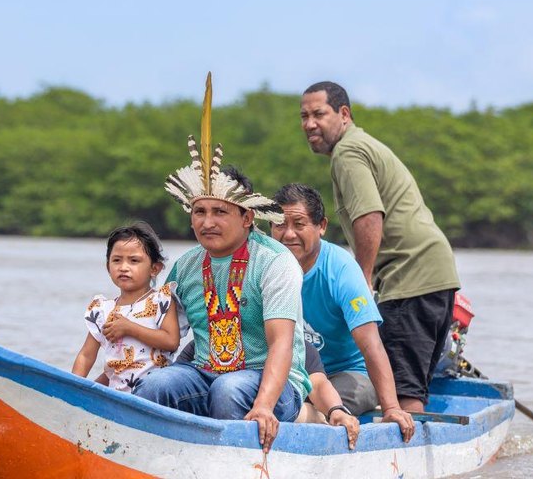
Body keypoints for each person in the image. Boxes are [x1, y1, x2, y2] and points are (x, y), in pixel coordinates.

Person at [134, 76, 311, 453]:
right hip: (205, 373)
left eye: (219, 212)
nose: (207, 222)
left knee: (230, 390)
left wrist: (263, 405)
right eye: (199, 212)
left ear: (247, 218)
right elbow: (161, 335)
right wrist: (108, 377)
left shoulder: (275, 262)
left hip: (271, 383)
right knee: (152, 386)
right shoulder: (184, 267)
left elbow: (281, 343)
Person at [299, 82, 461, 413]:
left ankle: (402, 459)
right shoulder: (359, 146)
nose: (309, 124)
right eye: (304, 116)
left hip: (410, 274)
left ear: (344, 114)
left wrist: (363, 277)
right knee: (410, 381)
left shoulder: (348, 152)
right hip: (431, 272)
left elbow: (369, 214)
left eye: (319, 114)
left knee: (402, 391)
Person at [271, 183, 414, 441]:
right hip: (291, 372)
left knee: (340, 395)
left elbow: (372, 344)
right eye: (279, 225)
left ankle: (311, 417)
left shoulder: (341, 269)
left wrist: (392, 408)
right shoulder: (266, 265)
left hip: (346, 374)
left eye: (299, 224)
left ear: (321, 226)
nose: (288, 234)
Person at [177, 339, 361, 449]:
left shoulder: (296, 345)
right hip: (207, 429)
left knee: (310, 414)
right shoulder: (203, 343)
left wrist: (336, 410)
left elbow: (318, 384)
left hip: (277, 422)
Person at [71, 222, 185, 393]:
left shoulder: (161, 301)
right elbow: (86, 355)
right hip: (116, 394)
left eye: (134, 261)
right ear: (108, 267)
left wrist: (129, 328)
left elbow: (171, 341)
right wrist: (72, 388)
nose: (124, 267)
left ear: (154, 268)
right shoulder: (102, 309)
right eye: (117, 260)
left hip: (155, 393)